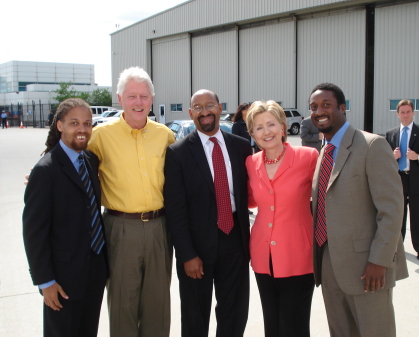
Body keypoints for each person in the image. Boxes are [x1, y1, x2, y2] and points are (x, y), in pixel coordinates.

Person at [309, 83, 408, 336]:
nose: (319, 111)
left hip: (368, 268)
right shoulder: (325, 151)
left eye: (326, 105)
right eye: (314, 107)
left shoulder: (372, 146)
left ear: (343, 108)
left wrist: (379, 260)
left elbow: (392, 210)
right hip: (329, 264)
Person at [88, 67, 175, 337]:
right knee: (123, 303)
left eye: (144, 96)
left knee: (158, 305)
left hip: (161, 227)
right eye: (132, 96)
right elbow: (72, 161)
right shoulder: (100, 135)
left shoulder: (166, 136)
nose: (138, 102)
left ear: (151, 99)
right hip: (120, 228)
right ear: (120, 98)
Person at [164, 89, 252, 337]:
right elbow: (175, 209)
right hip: (196, 247)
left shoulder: (242, 147)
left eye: (209, 105)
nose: (205, 112)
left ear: (220, 107)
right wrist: (186, 254)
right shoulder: (177, 153)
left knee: (234, 312)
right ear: (191, 113)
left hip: (235, 240)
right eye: (198, 108)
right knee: (194, 316)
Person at [23, 98, 108, 337]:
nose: (82, 129)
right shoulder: (45, 170)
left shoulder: (91, 161)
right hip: (62, 281)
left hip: (94, 273)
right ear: (60, 125)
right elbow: (34, 233)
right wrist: (45, 282)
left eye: (87, 123)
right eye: (74, 123)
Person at [245, 100, 318, 337]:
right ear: (252, 134)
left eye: (271, 124)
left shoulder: (308, 157)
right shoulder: (250, 162)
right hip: (263, 255)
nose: (266, 132)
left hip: (298, 254)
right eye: (258, 127)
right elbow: (250, 201)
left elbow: (328, 199)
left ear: (283, 126)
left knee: (294, 326)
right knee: (272, 325)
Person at [385, 100, 419, 261]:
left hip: (418, 182)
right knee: (398, 217)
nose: (406, 115)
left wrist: (418, 157)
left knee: (418, 218)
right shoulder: (391, 134)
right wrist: (392, 157)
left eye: (408, 112)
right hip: (398, 181)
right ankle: (397, 247)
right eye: (403, 112)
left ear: (413, 113)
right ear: (397, 114)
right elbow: (383, 158)